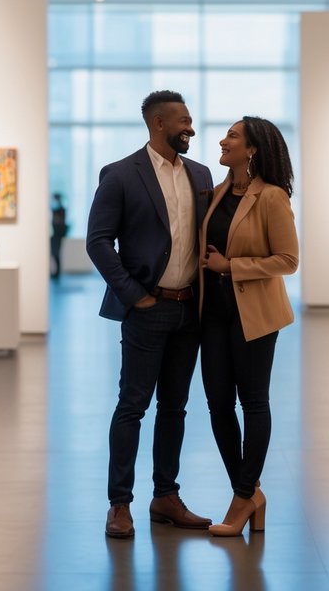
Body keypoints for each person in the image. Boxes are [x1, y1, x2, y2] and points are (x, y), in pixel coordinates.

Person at [86, 90, 215, 539]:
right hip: (147, 308)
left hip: (188, 312)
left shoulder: (201, 175)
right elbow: (98, 242)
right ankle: (119, 505)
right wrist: (134, 295)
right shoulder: (121, 175)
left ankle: (166, 496)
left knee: (175, 407)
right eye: (183, 121)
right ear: (158, 123)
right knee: (132, 406)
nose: (191, 128)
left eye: (191, 120)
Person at [199, 116, 299, 537]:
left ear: (253, 149)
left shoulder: (272, 197)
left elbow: (288, 261)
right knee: (218, 404)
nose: (223, 140)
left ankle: (242, 498)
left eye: (233, 136)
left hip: (254, 315)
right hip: (213, 315)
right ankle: (251, 492)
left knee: (253, 402)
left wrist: (230, 266)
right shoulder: (218, 192)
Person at [50, 192, 68, 279]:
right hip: (55, 235)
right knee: (54, 254)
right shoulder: (58, 210)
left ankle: (57, 273)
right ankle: (56, 273)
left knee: (56, 254)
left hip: (57, 235)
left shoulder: (61, 210)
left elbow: (59, 222)